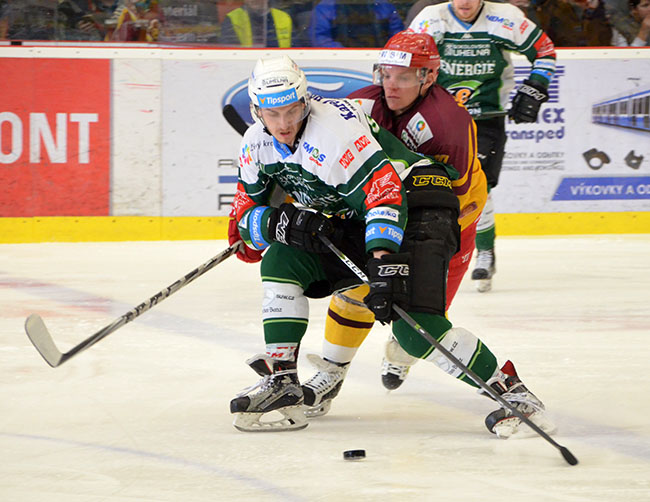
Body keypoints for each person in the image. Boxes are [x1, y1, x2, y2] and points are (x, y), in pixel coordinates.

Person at [228, 55, 553, 439]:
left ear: (305, 101)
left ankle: (513, 393)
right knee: (283, 260)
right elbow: (244, 217)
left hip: (420, 207)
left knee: (414, 330)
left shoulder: (333, 132)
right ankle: (282, 381)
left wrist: (383, 263)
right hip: (360, 216)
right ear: (257, 111)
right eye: (272, 114)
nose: (283, 124)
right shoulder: (256, 144)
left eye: (292, 111)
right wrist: (269, 223)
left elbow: (384, 193)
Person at [301, 30, 488, 403]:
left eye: (403, 77)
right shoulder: (361, 104)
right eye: (385, 74)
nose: (391, 85)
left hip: (448, 222)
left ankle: (402, 353)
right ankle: (331, 373)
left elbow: (448, 201)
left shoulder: (449, 124)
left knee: (419, 321)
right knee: (354, 292)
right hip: (383, 209)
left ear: (428, 78)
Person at [409, 0, 557, 293]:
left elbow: (544, 50)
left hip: (487, 119)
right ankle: (432, 252)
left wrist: (536, 86)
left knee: (479, 187)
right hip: (440, 116)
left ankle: (484, 250)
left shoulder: (505, 18)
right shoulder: (430, 19)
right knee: (429, 187)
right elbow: (406, 62)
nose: (464, 2)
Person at [309, 0, 404, 47]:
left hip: (380, 58)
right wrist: (346, 55)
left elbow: (398, 37)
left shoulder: (384, 5)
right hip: (341, 60)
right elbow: (320, 39)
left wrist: (384, 53)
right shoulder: (326, 7)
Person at [220, 0, 292, 47]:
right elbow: (230, 53)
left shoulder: (284, 17)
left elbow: (295, 49)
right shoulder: (233, 18)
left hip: (281, 64)